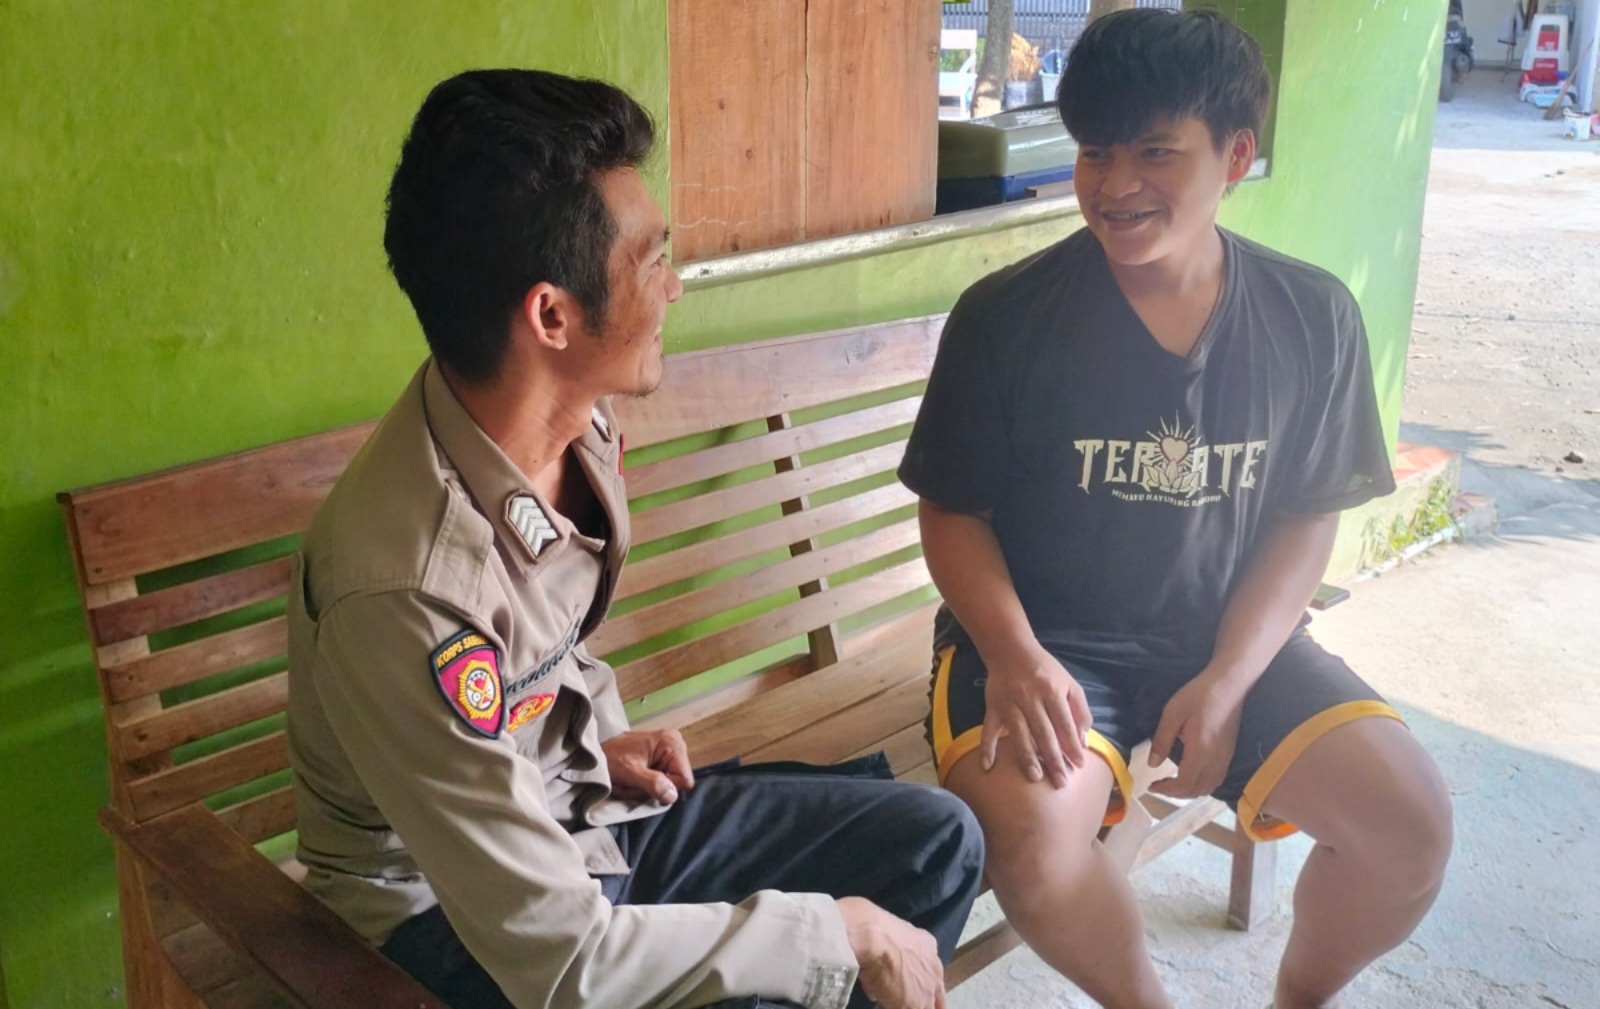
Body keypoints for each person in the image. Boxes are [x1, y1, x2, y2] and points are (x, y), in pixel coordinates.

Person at [285, 69, 983, 1009]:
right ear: (552, 316)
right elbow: (565, 965)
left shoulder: (575, 425)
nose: (675, 286)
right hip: (451, 917)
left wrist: (590, 741)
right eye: (652, 261)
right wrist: (837, 929)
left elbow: (540, 643)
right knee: (818, 954)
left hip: (569, 810)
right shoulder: (407, 586)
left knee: (937, 843)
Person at [898, 10, 1453, 1009]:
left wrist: (1230, 677)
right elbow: (953, 510)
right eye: (1094, 153)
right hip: (1043, 645)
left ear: (1235, 154)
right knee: (1031, 839)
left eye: (1155, 152)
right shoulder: (1005, 317)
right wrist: (1015, 656)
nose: (1115, 186)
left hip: (1226, 635)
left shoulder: (1310, 315)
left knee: (1409, 822)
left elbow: (1306, 515)